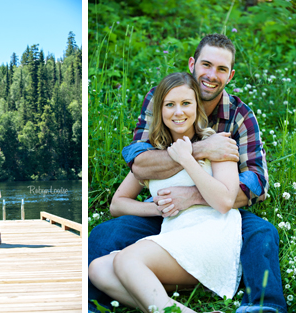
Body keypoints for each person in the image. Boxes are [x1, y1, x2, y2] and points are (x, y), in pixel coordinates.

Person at [88, 34, 285, 313]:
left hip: (215, 215)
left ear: (230, 75)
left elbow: (254, 183)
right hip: (168, 217)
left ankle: (263, 306)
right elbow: (140, 164)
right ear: (193, 64)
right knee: (104, 240)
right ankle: (94, 302)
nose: (211, 75)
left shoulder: (238, 118)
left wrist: (192, 196)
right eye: (206, 64)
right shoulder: (161, 98)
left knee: (262, 232)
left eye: (221, 69)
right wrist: (193, 154)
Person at [89, 72, 241, 312]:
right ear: (160, 110)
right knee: (98, 269)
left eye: (186, 103)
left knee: (128, 259)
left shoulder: (217, 143)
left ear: (197, 107)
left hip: (210, 237)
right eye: (170, 104)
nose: (178, 112)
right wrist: (159, 208)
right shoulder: (156, 156)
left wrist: (187, 158)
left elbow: (224, 201)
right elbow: (117, 204)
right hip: (173, 238)